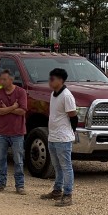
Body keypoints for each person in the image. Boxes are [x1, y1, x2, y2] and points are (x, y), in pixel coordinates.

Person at [40, 68, 78, 207]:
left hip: (63, 138)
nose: (50, 82)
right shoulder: (53, 94)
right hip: (53, 136)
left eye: (53, 79)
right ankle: (57, 190)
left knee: (66, 166)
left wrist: (71, 133)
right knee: (57, 166)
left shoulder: (66, 96)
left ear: (61, 80)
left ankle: (68, 194)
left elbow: (73, 116)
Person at [0, 69, 28, 194]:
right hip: (1, 132)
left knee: (18, 159)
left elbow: (23, 110)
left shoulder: (21, 92)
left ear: (11, 80)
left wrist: (6, 108)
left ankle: (20, 185)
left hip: (17, 132)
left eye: (4, 79)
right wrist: (13, 107)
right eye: (1, 79)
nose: (1, 81)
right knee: (0, 159)